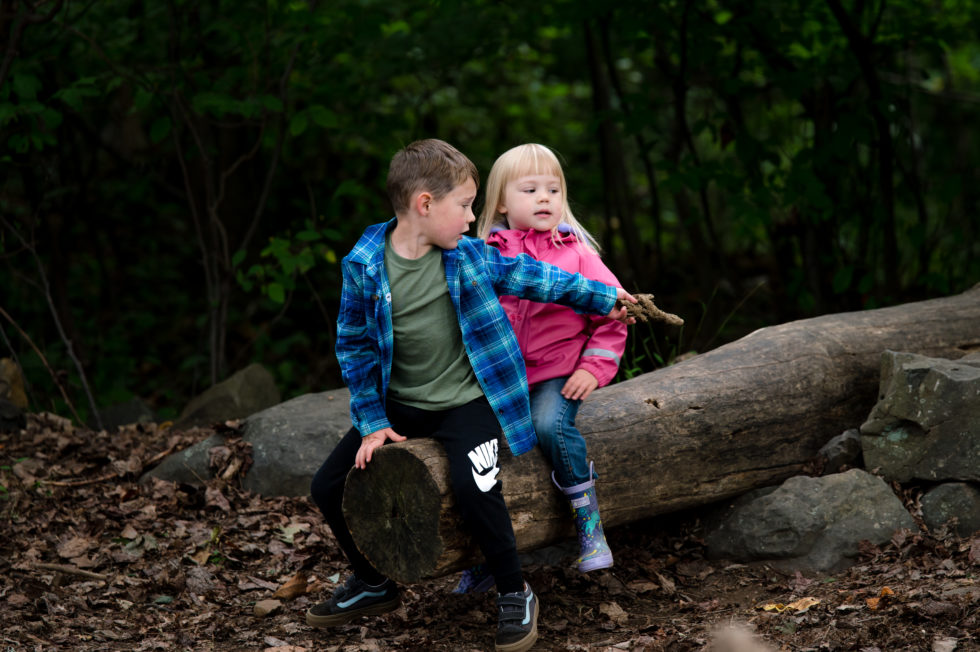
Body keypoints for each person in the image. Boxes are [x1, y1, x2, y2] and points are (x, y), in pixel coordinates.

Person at [306, 139, 636, 652]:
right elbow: (355, 347)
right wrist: (372, 421)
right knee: (327, 486)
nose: (471, 217)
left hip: (468, 404)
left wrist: (605, 298)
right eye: (463, 205)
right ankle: (373, 583)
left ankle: (514, 590)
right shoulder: (365, 264)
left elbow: (536, 277)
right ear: (424, 204)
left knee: (475, 485)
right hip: (400, 406)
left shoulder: (468, 257)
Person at [457, 144, 626, 594]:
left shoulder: (578, 255)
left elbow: (616, 315)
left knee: (550, 425)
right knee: (471, 447)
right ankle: (486, 556)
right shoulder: (485, 256)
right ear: (501, 203)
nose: (545, 198)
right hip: (501, 380)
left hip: (557, 372)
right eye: (530, 189)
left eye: (553, 189)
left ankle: (588, 525)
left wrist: (592, 368)